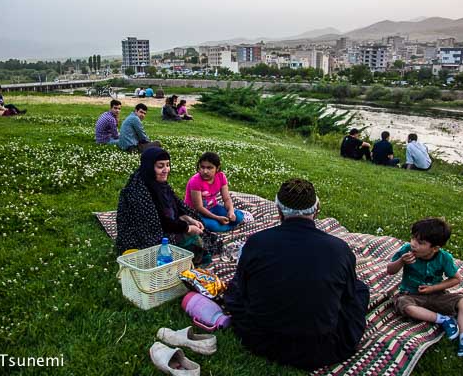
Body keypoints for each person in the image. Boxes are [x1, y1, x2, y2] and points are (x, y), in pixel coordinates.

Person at [224, 178, 369, 370]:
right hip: (323, 348)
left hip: (260, 340)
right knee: (359, 289)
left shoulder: (257, 243)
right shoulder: (340, 250)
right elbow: (348, 296)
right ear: (316, 209)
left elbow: (240, 289)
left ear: (279, 210)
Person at [387, 217, 463, 358]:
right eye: (413, 238)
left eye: (420, 242)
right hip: (411, 295)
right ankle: (444, 320)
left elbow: (456, 279)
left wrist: (433, 288)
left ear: (435, 248)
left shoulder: (444, 258)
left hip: (437, 295)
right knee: (403, 304)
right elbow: (390, 270)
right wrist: (401, 261)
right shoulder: (406, 250)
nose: (413, 244)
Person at [116, 147, 218, 265]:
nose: (166, 170)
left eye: (168, 165)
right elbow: (159, 223)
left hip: (167, 225)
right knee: (195, 243)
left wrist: (188, 219)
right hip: (146, 236)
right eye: (160, 166)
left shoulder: (160, 184)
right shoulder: (139, 192)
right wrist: (188, 228)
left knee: (200, 229)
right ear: (149, 167)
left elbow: (175, 206)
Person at [184, 152, 244, 232]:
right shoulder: (195, 181)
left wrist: (231, 211)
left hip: (213, 207)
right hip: (196, 213)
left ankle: (229, 224)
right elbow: (199, 207)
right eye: (202, 167)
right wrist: (217, 218)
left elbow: (226, 198)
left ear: (217, 168)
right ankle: (231, 226)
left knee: (238, 216)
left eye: (209, 168)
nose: (205, 171)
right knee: (214, 225)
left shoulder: (221, 177)